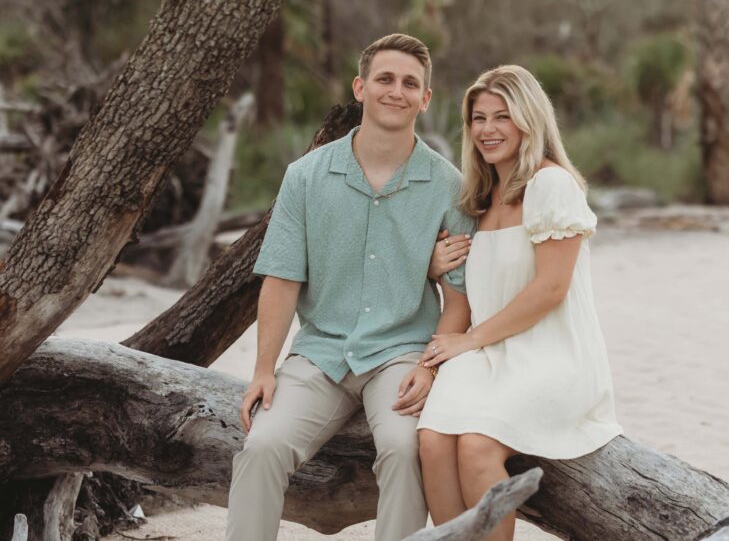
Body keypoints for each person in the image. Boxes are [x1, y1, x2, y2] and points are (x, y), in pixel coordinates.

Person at [225, 33, 474, 541]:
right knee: (262, 445)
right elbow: (281, 278)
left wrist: (430, 369)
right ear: (360, 87)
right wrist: (262, 370)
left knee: (406, 449)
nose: (396, 91)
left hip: (402, 353)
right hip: (319, 353)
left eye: (410, 84)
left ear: (425, 99)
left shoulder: (450, 185)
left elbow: (459, 296)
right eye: (385, 79)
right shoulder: (306, 175)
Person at [417, 65, 621, 540]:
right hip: (489, 354)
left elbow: (551, 289)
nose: (487, 130)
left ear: (530, 120)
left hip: (551, 355)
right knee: (430, 441)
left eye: (502, 117)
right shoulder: (478, 199)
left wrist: (468, 341)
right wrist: (433, 278)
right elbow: (464, 294)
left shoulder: (551, 186)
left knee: (476, 447)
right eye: (478, 118)